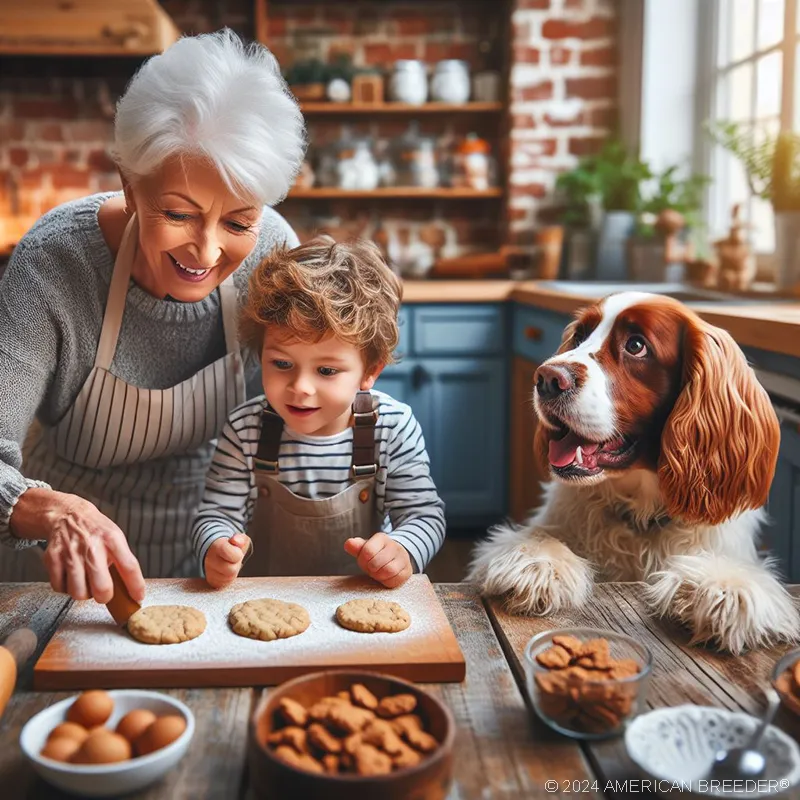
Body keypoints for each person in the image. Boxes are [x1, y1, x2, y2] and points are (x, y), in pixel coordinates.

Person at [0, 30, 306, 604]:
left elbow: (312, 407)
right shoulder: (57, 263)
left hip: (216, 568)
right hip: (67, 578)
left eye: (239, 223)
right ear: (130, 185)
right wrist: (50, 511)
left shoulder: (271, 253)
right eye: (178, 214)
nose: (208, 252)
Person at [191, 236, 446, 588]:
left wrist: (402, 551)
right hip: (266, 602)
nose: (300, 387)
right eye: (282, 363)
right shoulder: (246, 430)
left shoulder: (392, 427)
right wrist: (216, 548)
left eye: (326, 371)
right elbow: (216, 515)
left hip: (362, 600)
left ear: (370, 370)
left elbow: (424, 516)